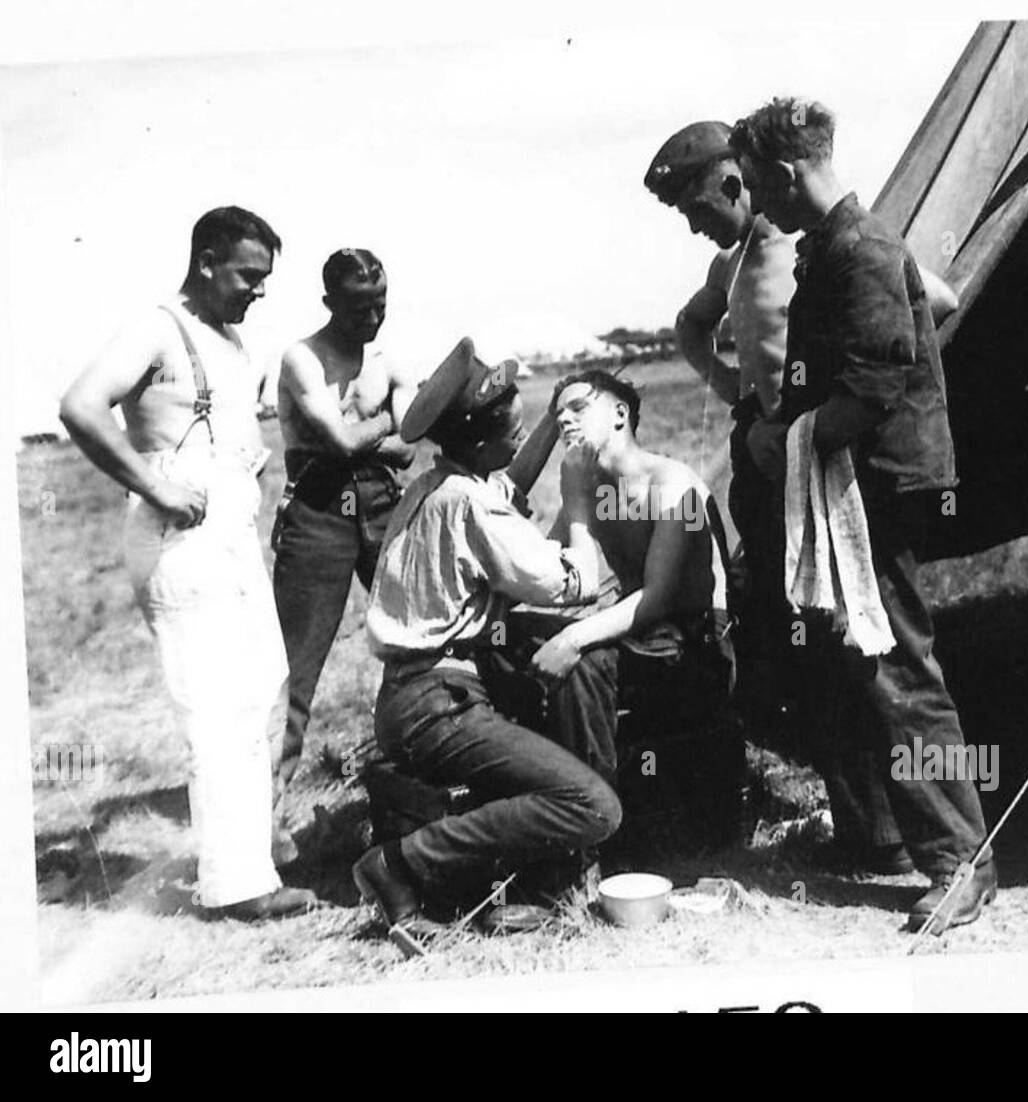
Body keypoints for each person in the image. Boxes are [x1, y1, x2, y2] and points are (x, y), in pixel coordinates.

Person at [645, 121, 958, 874]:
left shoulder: (821, 247)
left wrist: (833, 404)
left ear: (734, 182)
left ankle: (927, 840)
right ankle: (864, 827)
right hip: (771, 454)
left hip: (830, 454)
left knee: (871, 642)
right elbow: (691, 328)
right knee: (808, 646)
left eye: (697, 210)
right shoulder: (737, 261)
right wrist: (736, 392)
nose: (694, 228)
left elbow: (936, 302)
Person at [730, 98, 996, 933]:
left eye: (756, 183)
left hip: (876, 485)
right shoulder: (837, 247)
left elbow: (878, 384)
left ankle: (961, 863)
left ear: (783, 171)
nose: (756, 202)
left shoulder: (862, 249)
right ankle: (917, 844)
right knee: (872, 667)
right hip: (854, 482)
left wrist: (792, 439)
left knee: (898, 671)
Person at [58, 206, 316, 920]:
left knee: (266, 683)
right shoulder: (156, 327)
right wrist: (154, 485)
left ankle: (250, 846)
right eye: (246, 275)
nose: (257, 291)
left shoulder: (228, 338)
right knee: (219, 705)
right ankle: (237, 886)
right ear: (205, 260)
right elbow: (81, 406)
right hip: (179, 539)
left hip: (229, 537)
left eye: (265, 279)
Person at [351, 340, 622, 944]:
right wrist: (578, 503)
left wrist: (551, 430)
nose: (522, 438)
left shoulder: (437, 485)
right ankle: (399, 864)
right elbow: (574, 582)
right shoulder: (469, 504)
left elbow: (504, 489)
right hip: (440, 706)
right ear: (478, 442)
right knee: (593, 806)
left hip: (408, 700)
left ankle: (477, 866)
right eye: (517, 429)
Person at [481, 369, 735, 790]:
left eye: (579, 408)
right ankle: (530, 782)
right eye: (558, 414)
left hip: (697, 639)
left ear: (620, 415)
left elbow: (659, 598)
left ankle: (589, 812)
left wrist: (571, 637)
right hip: (647, 631)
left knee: (580, 661)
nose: (564, 421)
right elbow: (542, 570)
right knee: (503, 634)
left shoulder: (670, 483)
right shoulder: (594, 486)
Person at [271, 248, 418, 856]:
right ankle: (265, 820)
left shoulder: (387, 358)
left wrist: (373, 432)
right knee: (291, 671)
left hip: (382, 502)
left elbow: (407, 450)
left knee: (419, 641)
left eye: (381, 303)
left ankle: (421, 790)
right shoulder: (302, 358)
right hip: (318, 506)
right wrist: (382, 424)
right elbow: (334, 439)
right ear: (330, 302)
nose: (373, 317)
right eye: (360, 307)